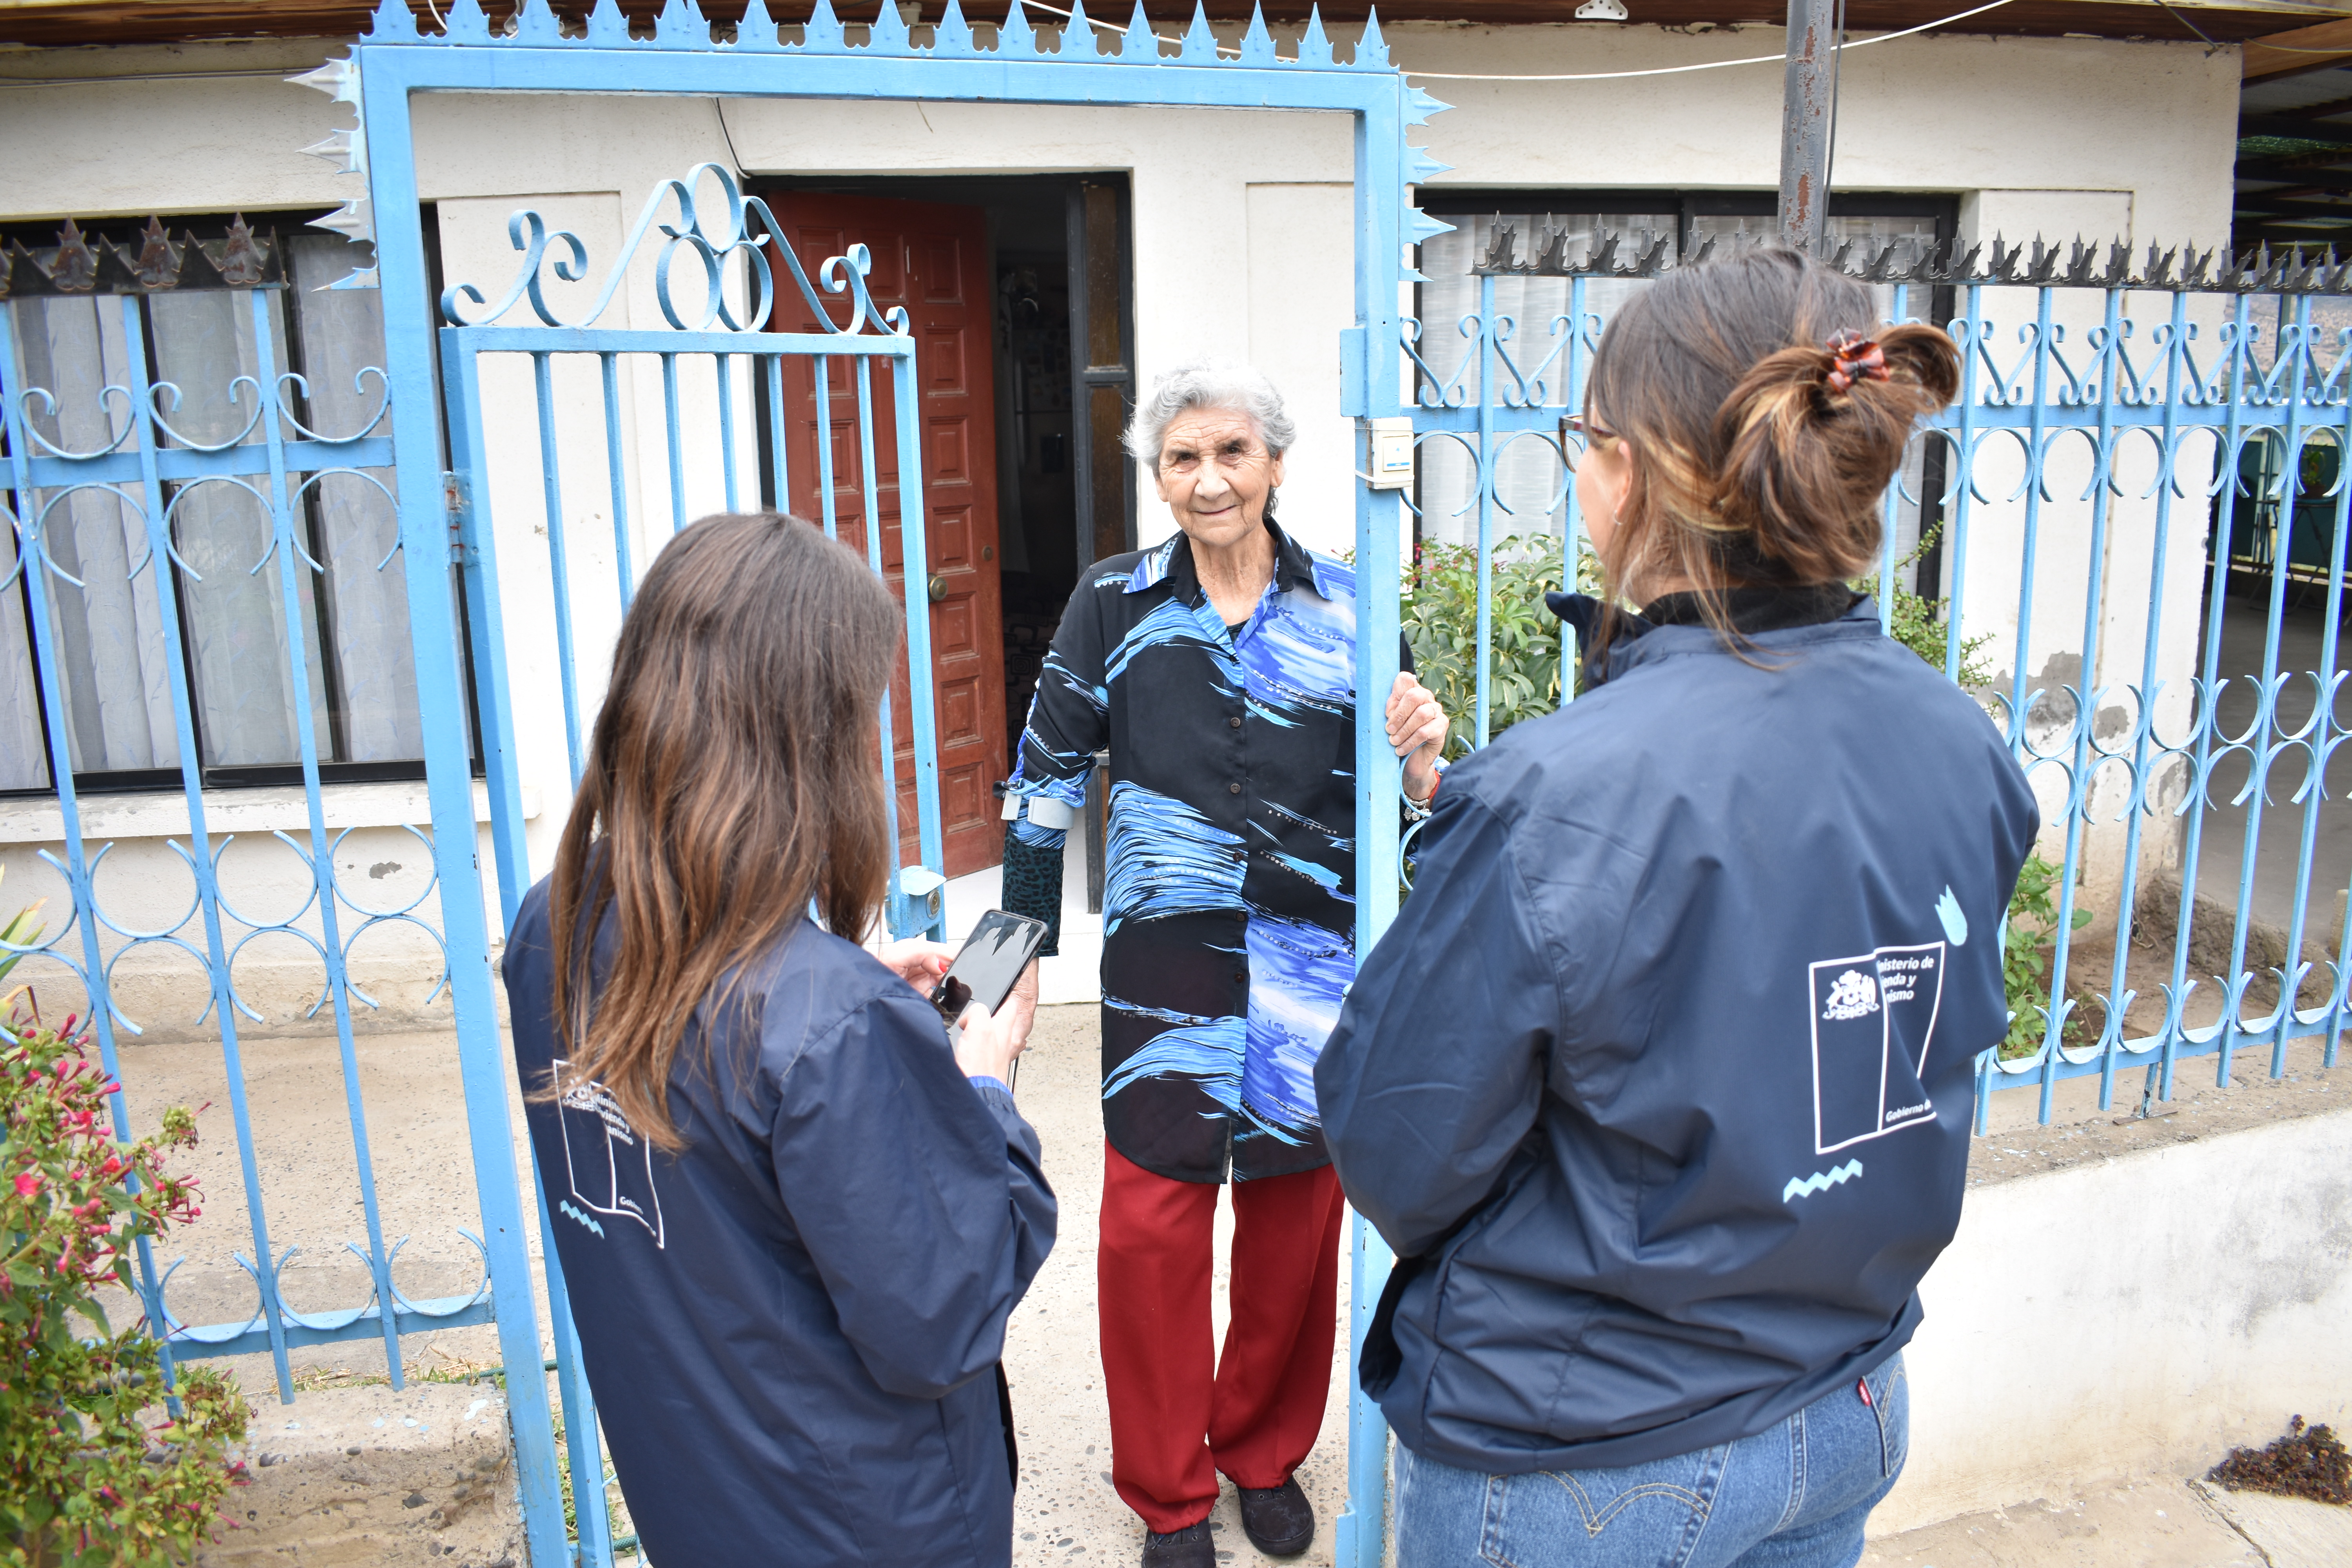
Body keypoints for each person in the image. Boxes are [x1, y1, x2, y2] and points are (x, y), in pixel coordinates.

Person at [1315, 249, 2041, 1567]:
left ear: (1629, 473)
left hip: (1590, 1452)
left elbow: (1395, 1148)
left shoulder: (1554, 795)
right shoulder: (1960, 738)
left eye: (1584, 437)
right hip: (1849, 1403)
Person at [501, 512, 1056, 1568]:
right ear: (812, 739)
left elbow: (711, 1113)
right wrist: (979, 1085)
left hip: (695, 1487)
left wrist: (849, 988)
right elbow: (941, 1320)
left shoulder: (558, 918)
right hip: (864, 1522)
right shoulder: (831, 1027)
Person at [995, 360, 1450, 1568]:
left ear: (1276, 465)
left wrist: (1418, 771)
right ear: (1160, 476)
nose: (1208, 482)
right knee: (1153, 1233)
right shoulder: (1113, 603)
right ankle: (1168, 1493)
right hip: (1166, 975)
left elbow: (1400, 816)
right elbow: (1041, 785)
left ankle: (1261, 1454)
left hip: (1312, 972)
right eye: (1182, 460)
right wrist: (1018, 954)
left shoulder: (1356, 604)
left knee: (1295, 1229)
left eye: (1231, 454)